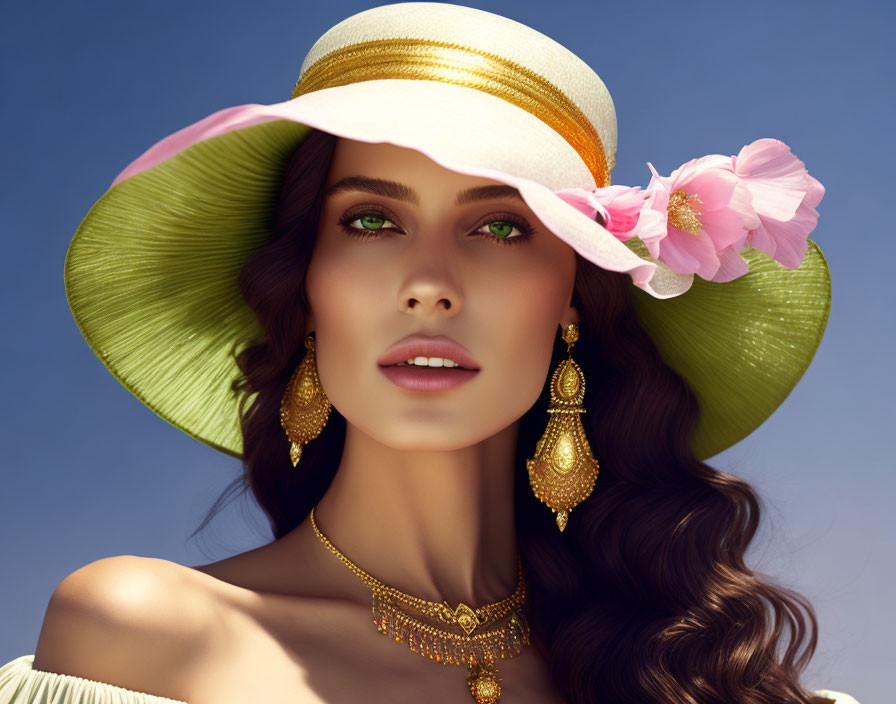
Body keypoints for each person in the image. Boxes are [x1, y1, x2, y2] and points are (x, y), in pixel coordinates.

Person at [0, 3, 860, 704]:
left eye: (500, 226)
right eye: (372, 221)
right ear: (306, 289)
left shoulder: (690, 673)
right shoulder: (144, 631)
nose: (429, 285)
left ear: (571, 296)